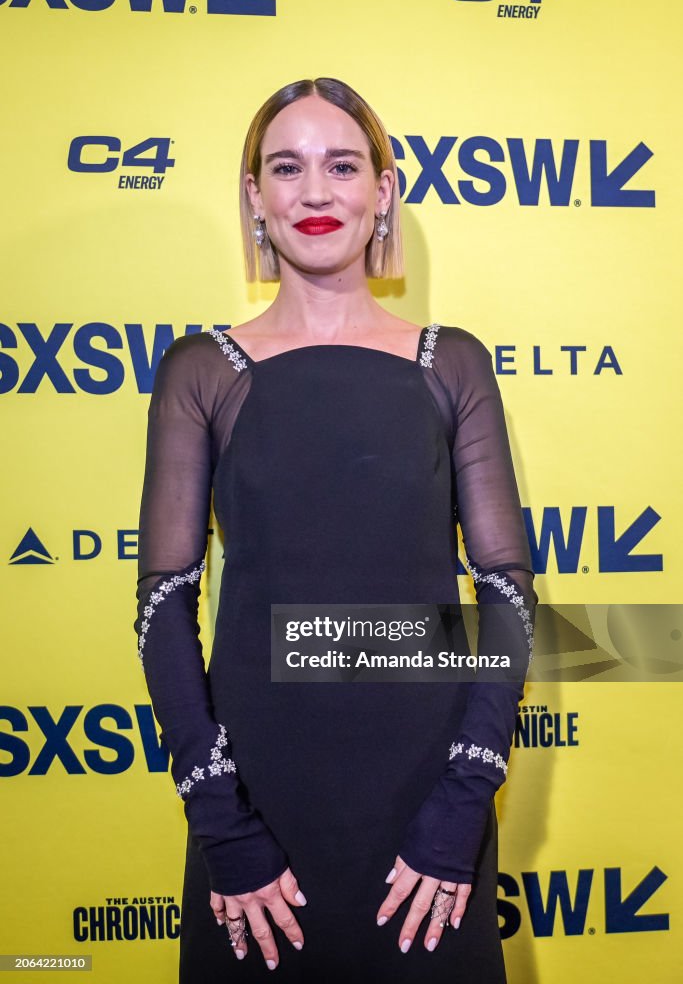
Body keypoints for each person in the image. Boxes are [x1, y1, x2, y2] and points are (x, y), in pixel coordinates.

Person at [134, 76, 538, 983]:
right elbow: (164, 601)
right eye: (286, 167)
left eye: (342, 165)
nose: (315, 193)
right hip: (256, 800)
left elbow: (505, 587)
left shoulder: (452, 364)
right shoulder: (204, 371)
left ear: (382, 191)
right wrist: (220, 819)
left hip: (431, 797)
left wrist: (464, 799)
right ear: (255, 198)